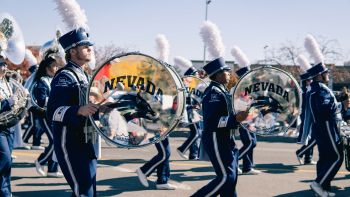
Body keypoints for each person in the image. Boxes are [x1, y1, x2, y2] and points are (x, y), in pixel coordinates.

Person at [47, 27, 100, 196]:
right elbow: (53, 111)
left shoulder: (84, 74)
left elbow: (86, 105)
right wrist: (79, 110)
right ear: (72, 51)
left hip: (87, 140)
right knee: (84, 191)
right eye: (84, 46)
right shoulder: (64, 76)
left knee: (88, 190)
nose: (90, 49)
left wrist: (100, 108)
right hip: (70, 142)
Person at [191, 57, 248, 197]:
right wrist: (234, 119)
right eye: (226, 71)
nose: (229, 74)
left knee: (232, 176)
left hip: (227, 139)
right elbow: (212, 121)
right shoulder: (213, 93)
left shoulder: (222, 90)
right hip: (216, 138)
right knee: (226, 177)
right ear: (217, 75)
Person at [306, 62, 343, 196]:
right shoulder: (320, 89)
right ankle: (318, 184)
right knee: (337, 157)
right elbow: (325, 108)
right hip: (327, 126)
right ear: (320, 76)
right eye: (326, 73)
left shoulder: (314, 88)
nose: (328, 75)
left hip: (320, 127)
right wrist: (341, 106)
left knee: (325, 158)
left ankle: (322, 190)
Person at [32, 50, 63, 177]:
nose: (57, 67)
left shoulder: (54, 79)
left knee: (58, 141)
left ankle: (52, 169)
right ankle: (40, 161)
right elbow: (41, 100)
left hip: (55, 115)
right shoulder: (42, 82)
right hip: (45, 115)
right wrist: (58, 101)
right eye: (54, 65)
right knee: (55, 141)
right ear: (47, 68)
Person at [176, 63, 202, 160]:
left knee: (197, 133)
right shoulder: (184, 87)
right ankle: (182, 149)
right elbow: (184, 102)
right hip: (189, 112)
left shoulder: (191, 86)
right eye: (194, 75)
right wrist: (193, 106)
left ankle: (193, 154)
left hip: (192, 112)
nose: (197, 77)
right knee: (196, 133)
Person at [0, 55, 16, 196]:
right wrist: (7, 103)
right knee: (5, 160)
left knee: (7, 161)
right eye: (0, 64)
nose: (4, 67)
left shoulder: (7, 82)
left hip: (9, 125)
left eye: (4, 64)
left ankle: (7, 191)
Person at [295, 60, 316, 165]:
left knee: (311, 137)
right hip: (307, 116)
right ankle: (301, 153)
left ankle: (308, 158)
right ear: (307, 81)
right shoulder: (305, 91)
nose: (311, 81)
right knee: (312, 137)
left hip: (310, 116)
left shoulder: (307, 89)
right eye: (310, 80)